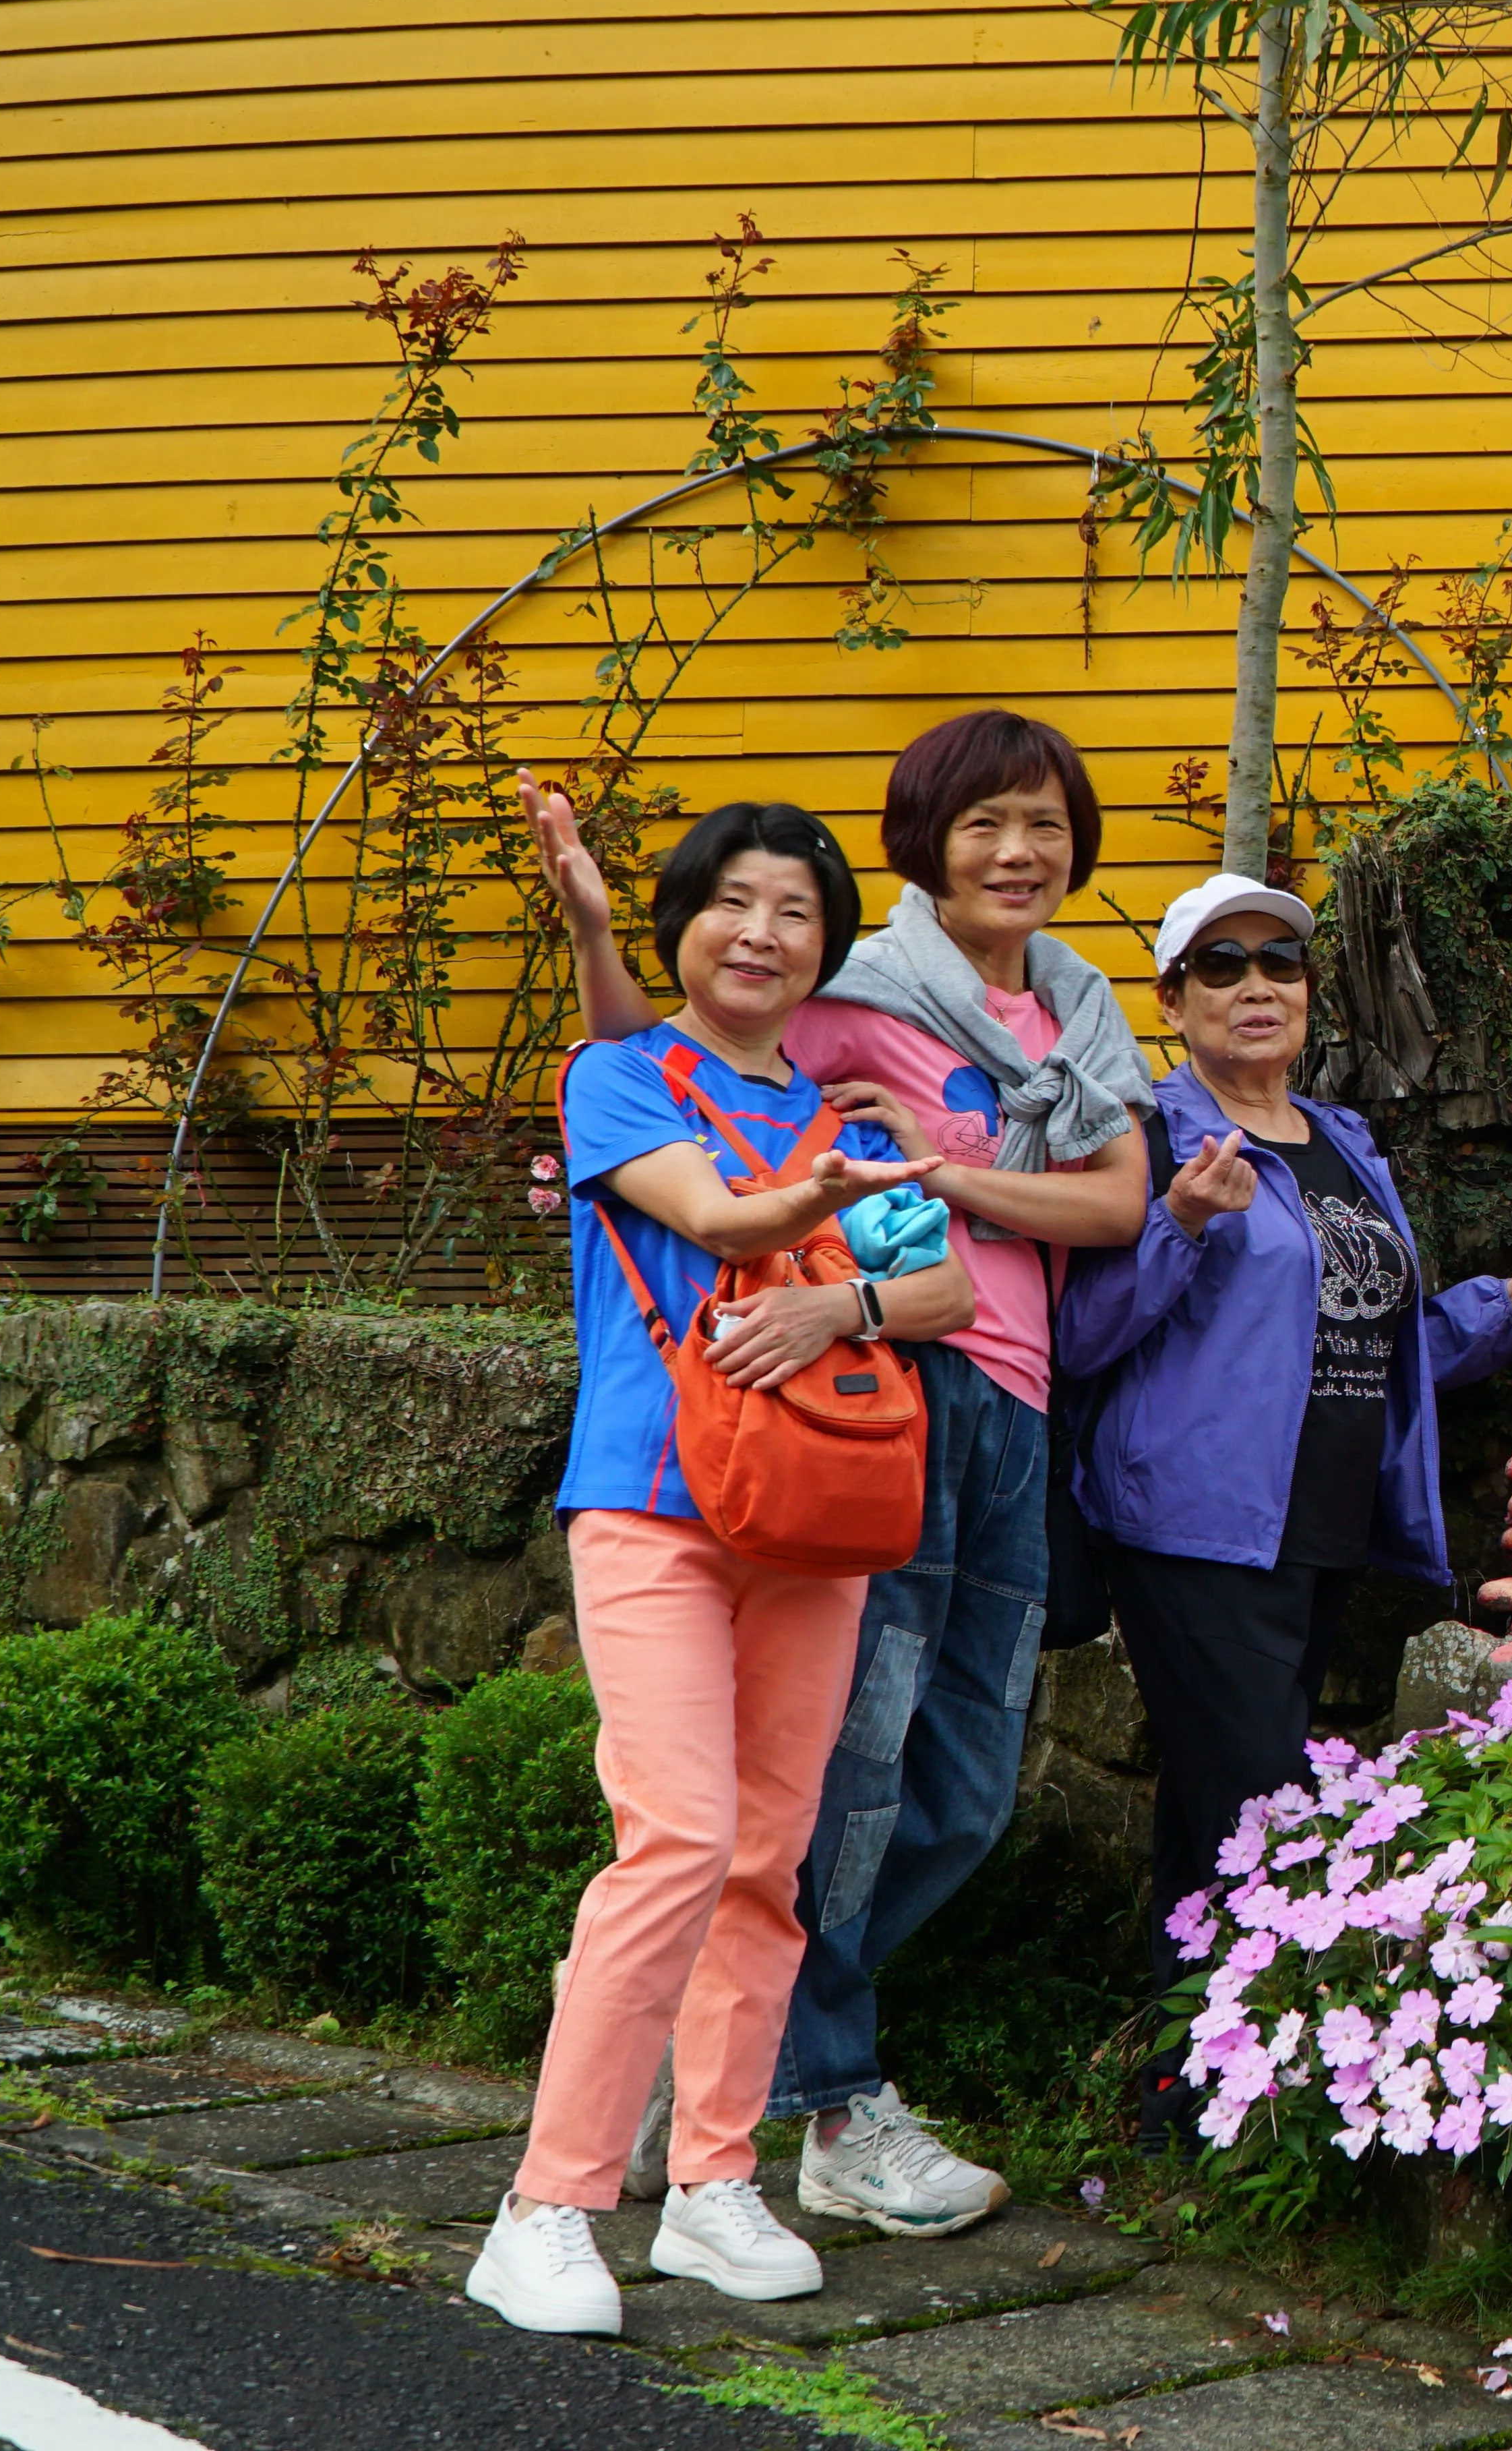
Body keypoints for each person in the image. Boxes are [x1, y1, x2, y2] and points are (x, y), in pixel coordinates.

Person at [529, 710, 1154, 2241]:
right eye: (985, 821)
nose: (1019, 849)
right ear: (924, 847)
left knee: (953, 1780)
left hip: (1009, 1390)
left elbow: (1111, 1206)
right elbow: (660, 1051)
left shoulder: (1076, 1016)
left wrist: (882, 1249)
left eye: (1046, 821)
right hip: (854, 1423)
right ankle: (799, 2104)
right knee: (793, 1803)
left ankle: (732, 2096)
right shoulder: (850, 1004)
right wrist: (600, 934)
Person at [469, 804, 971, 2338]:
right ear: (681, 923)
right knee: (676, 1837)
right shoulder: (621, 1075)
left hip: (814, 1520)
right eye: (732, 904)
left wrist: (848, 1313)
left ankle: (711, 2184)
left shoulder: (840, 1113)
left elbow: (941, 1284)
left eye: (796, 912)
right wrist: (832, 1205)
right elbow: (711, 1212)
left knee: (770, 1853)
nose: (761, 932)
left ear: (827, 945)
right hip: (655, 1500)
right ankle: (549, 2204)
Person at [1056, 877, 1512, 2141]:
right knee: (1255, 1805)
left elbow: (1382, 1334)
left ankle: (1177, 2089)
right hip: (1194, 1522)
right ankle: (1218, 2097)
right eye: (1223, 965)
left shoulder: (1343, 1140)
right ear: (1173, 998)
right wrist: (1181, 1223)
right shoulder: (1142, 1138)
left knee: (1217, 1806)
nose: (1258, 986)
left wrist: (1510, 1300)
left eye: (1281, 964)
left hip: (1318, 1519)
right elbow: (1082, 1338)